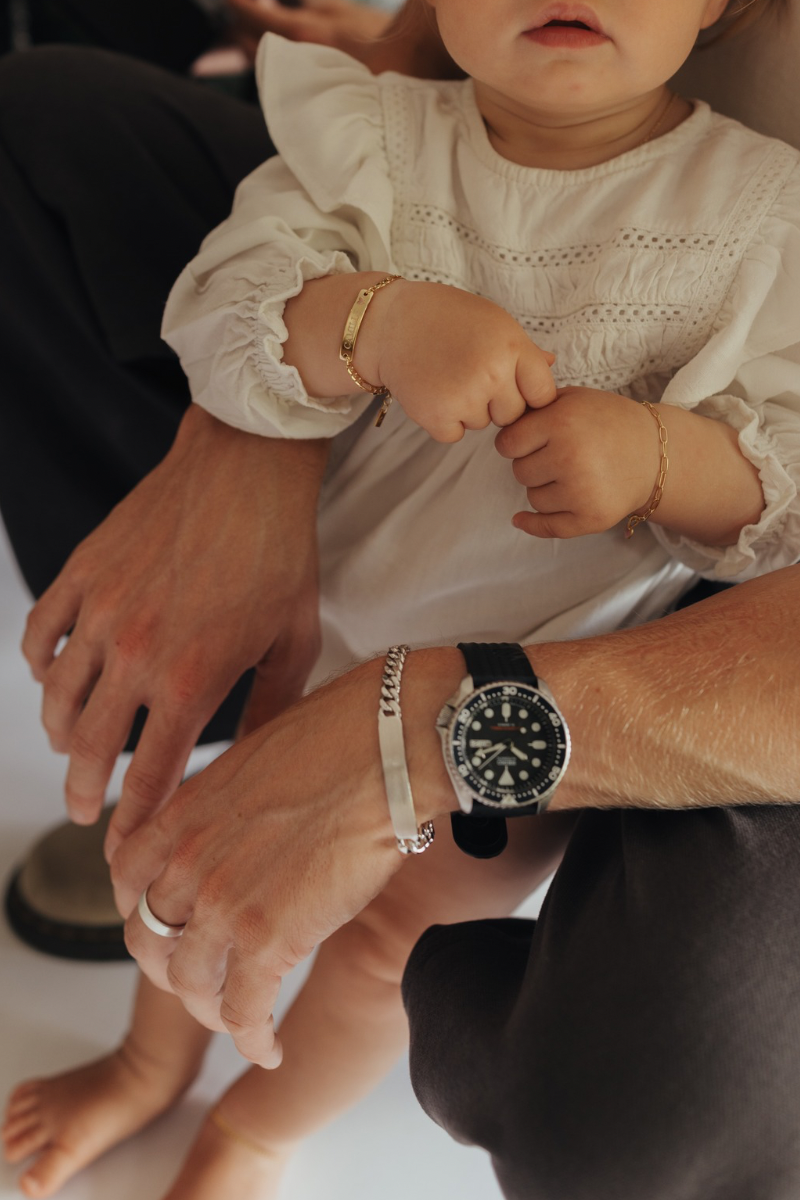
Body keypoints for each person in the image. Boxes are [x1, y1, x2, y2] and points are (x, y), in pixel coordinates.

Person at [2, 4, 800, 1200]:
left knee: (382, 947)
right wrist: (371, 322)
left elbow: (782, 485)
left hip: (529, 712)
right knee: (197, 855)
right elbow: (227, 312)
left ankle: (257, 1128)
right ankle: (141, 1064)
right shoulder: (373, 137)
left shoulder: (762, 212)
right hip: (311, 638)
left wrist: (656, 459)